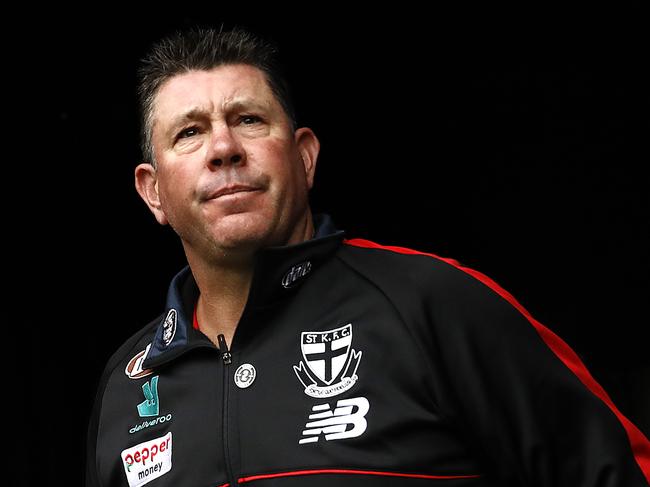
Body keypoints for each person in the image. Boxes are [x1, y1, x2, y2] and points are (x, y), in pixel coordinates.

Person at [85, 26, 650, 487]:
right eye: (189, 132)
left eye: (248, 120)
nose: (224, 148)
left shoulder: (430, 303)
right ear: (153, 191)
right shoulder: (129, 384)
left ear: (304, 158)